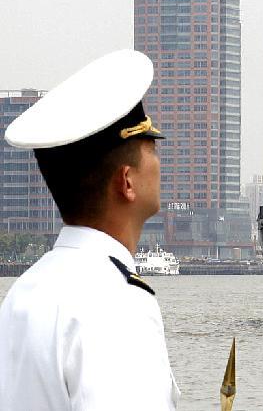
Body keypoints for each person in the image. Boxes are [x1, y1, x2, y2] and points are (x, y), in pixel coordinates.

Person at [0, 49, 179, 409]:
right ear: (126, 181)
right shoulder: (115, 302)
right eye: (151, 147)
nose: (160, 163)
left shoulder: (22, 295)